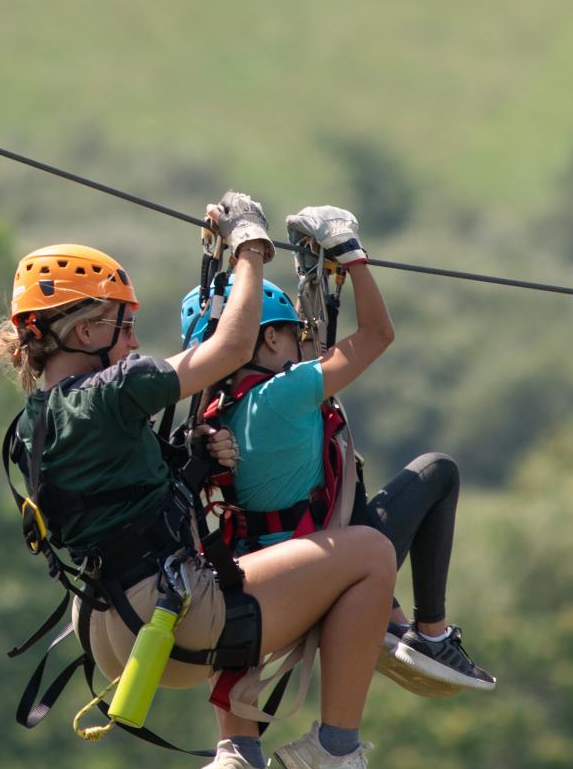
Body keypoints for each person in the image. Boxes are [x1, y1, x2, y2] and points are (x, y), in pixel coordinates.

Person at [0, 192, 403, 769]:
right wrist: (249, 249)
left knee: (268, 566)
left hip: (108, 634)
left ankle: (247, 762)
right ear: (84, 332)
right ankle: (334, 749)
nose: (135, 341)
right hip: (172, 616)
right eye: (122, 325)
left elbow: (121, 502)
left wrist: (192, 467)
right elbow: (231, 347)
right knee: (370, 552)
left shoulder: (36, 420)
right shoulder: (113, 392)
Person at [180, 203, 495, 698]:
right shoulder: (284, 394)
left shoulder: (212, 413)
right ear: (266, 340)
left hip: (260, 574)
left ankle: (391, 622)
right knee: (438, 470)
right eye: (291, 335)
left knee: (342, 467)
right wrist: (351, 257)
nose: (302, 344)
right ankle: (430, 633)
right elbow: (377, 336)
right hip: (324, 569)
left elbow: (318, 360)